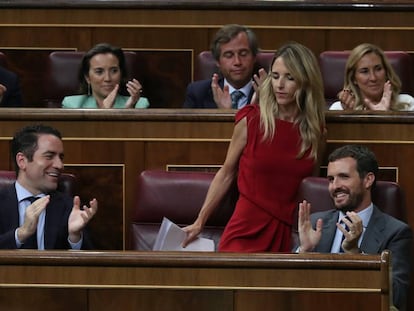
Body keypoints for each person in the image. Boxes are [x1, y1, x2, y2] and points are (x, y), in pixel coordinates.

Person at [182, 42, 326, 252]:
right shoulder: (252, 119)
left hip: (287, 233)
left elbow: (310, 187)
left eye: (290, 77)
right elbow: (226, 173)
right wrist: (200, 220)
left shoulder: (316, 133)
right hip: (245, 227)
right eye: (275, 76)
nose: (280, 85)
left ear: (305, 82)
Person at [297, 144, 412, 310]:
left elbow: (398, 296)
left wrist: (356, 255)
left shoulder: (396, 232)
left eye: (344, 177)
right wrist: (304, 251)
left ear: (368, 180)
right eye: (331, 179)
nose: (334, 186)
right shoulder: (315, 223)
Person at [0, 124, 98, 249]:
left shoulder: (69, 207)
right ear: (22, 161)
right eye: (49, 156)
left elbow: (91, 265)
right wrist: (21, 234)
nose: (59, 165)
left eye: (61, 157)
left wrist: (75, 237)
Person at [183, 24, 266, 109]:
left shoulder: (270, 93)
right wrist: (224, 113)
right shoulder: (197, 93)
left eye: (243, 54)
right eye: (229, 55)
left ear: (254, 57)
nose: (237, 62)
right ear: (217, 61)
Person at [329, 43, 414, 111]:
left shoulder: (408, 104)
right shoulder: (339, 109)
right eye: (365, 71)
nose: (373, 78)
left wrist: (386, 116)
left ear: (386, 71)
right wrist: (351, 117)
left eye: (378, 69)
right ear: (353, 78)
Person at [62, 43, 149, 109]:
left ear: (121, 74)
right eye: (99, 72)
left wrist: (128, 109)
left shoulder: (139, 104)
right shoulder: (72, 104)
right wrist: (105, 111)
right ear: (87, 77)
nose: (107, 78)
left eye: (114, 71)